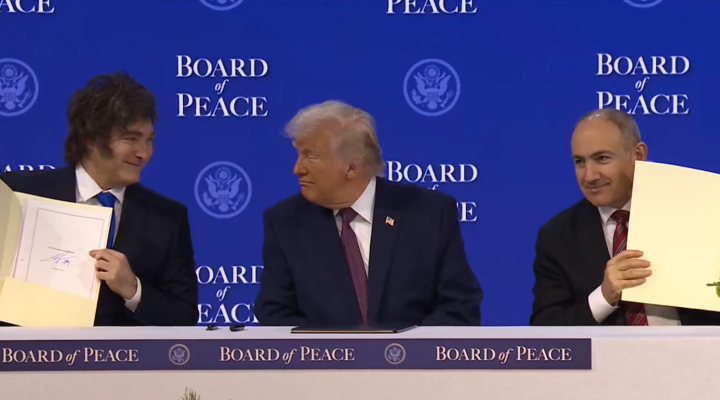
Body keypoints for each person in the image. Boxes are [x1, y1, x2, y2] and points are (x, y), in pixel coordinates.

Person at [254, 100, 483, 327]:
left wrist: (404, 347)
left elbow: (459, 306)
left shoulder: (428, 213)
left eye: (310, 156)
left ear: (352, 167)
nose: (297, 169)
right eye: (299, 154)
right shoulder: (285, 222)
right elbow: (275, 314)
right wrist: (337, 348)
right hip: (324, 353)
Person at [0, 72, 198, 326]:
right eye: (131, 139)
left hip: (124, 352)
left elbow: (184, 317)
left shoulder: (167, 218)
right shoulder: (19, 194)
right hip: (27, 349)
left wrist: (133, 289)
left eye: (149, 140)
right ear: (91, 139)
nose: (144, 153)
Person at [530, 108, 720, 326]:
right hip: (609, 349)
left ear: (638, 155)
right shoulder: (558, 236)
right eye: (580, 161)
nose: (589, 176)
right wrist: (604, 297)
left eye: (602, 158)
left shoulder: (698, 213)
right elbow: (545, 328)